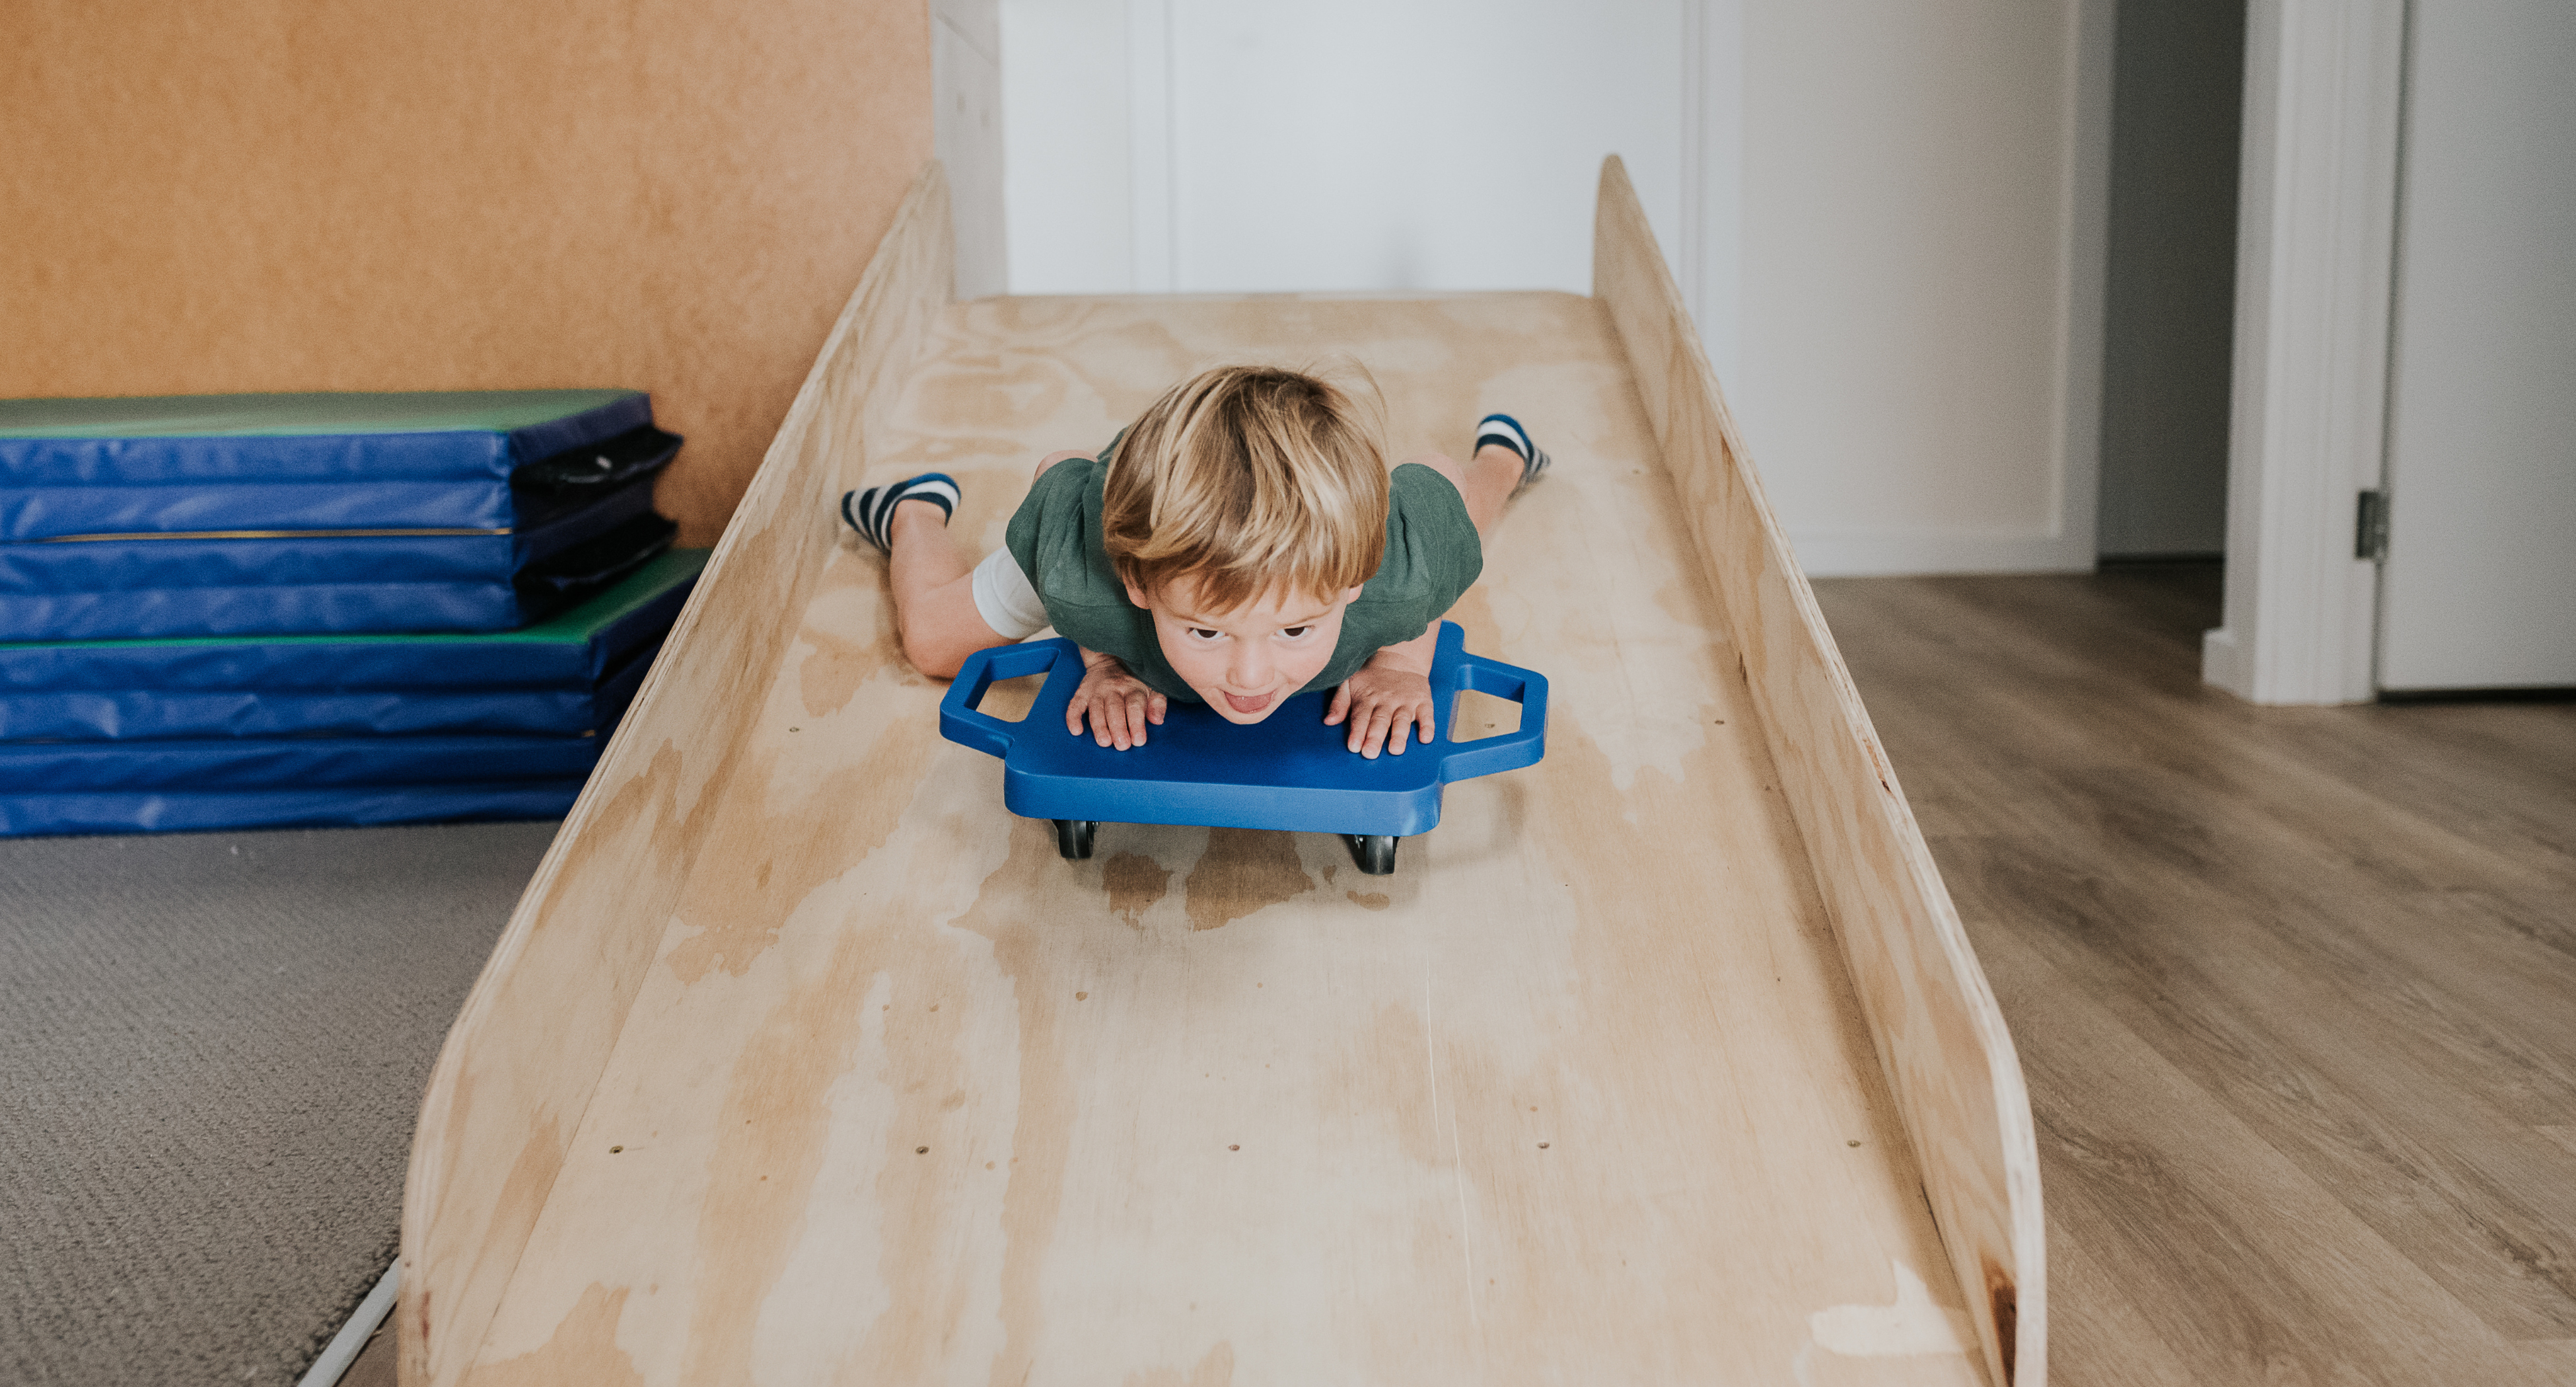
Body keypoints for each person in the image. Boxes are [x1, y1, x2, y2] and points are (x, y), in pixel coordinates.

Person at [838, 365, 1545, 760]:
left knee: (1451, 494)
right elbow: (1059, 471)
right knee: (931, 642)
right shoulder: (1085, 578)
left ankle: (1504, 457)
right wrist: (1103, 663)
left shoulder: (1397, 569)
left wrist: (1398, 666)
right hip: (1122, 511)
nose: (1250, 675)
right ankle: (912, 510)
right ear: (1140, 587)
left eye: (1295, 631)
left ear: (1355, 583)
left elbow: (1424, 533)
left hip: (1356, 524)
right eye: (1207, 632)